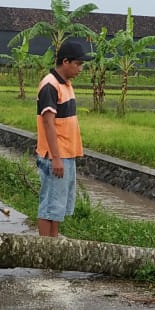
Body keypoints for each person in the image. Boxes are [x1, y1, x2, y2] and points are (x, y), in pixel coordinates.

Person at [36, 38, 92, 237]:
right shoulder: (50, 85)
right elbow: (48, 123)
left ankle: (54, 246)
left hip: (66, 154)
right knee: (49, 205)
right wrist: (56, 157)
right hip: (55, 156)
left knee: (58, 206)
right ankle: (46, 251)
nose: (80, 69)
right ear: (65, 62)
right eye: (77, 64)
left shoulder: (66, 84)